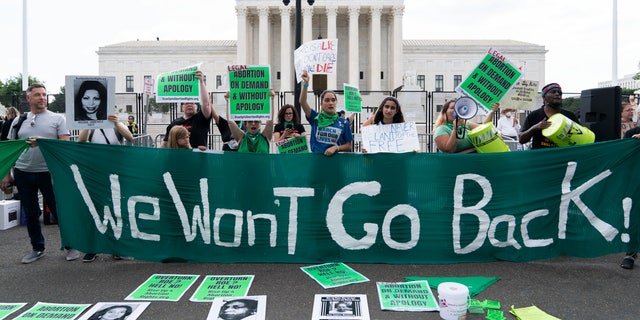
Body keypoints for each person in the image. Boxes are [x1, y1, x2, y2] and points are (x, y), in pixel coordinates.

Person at [0, 83, 81, 263]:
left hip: (49, 173)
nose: (42, 98)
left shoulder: (57, 119)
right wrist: (6, 173)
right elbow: (10, 148)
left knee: (59, 210)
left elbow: (65, 145)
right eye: (37, 95)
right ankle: (37, 248)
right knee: (30, 213)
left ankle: (71, 246)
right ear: (28, 98)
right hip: (23, 172)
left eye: (44, 94)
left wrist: (44, 141)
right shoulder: (18, 120)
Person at [78, 114, 134, 262]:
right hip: (96, 173)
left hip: (115, 173)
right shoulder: (91, 126)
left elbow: (130, 137)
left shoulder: (117, 125)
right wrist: (90, 123)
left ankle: (117, 246)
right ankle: (92, 247)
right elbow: (81, 139)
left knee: (116, 209)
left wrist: (116, 123)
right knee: (95, 210)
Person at [299, 70, 353, 156]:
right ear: (321, 104)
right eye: (327, 100)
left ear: (336, 102)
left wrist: (336, 148)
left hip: (336, 164)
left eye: (333, 100)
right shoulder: (315, 118)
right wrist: (305, 84)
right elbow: (302, 102)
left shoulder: (344, 122)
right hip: (316, 163)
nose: (330, 103)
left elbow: (349, 146)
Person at [160, 70, 212, 150]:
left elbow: (206, 104)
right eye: (186, 103)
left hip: (198, 158)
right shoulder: (175, 123)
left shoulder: (201, 119)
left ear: (197, 106)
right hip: (179, 159)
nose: (190, 104)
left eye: (192, 103)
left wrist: (201, 82)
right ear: (182, 107)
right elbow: (165, 143)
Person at [519, 83, 580, 149]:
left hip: (563, 157)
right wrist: (534, 128)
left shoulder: (569, 116)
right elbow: (521, 140)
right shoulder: (534, 115)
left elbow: (581, 136)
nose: (557, 94)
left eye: (559, 92)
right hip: (541, 158)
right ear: (544, 97)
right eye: (553, 92)